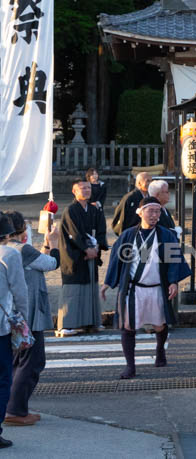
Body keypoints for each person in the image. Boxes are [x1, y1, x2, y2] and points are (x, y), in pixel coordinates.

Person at [102, 197, 191, 379]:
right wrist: (108, 283)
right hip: (134, 289)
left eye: (157, 211)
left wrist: (173, 281)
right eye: (150, 211)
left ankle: (160, 350)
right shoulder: (128, 235)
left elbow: (174, 260)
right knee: (128, 326)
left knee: (160, 325)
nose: (154, 215)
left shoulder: (167, 235)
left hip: (157, 287)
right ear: (140, 212)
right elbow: (115, 259)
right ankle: (130, 366)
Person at [4, 212, 53, 428]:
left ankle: (11, 407)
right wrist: (53, 243)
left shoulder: (10, 249)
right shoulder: (19, 250)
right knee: (32, 361)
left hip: (7, 314)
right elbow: (50, 263)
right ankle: (15, 410)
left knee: (15, 362)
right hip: (25, 315)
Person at [57, 181, 105, 336]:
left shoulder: (94, 209)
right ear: (74, 191)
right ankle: (67, 324)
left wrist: (97, 247)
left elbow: (101, 230)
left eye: (88, 188)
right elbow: (74, 233)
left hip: (91, 253)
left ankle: (90, 322)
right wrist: (85, 249)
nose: (86, 190)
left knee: (90, 287)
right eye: (82, 188)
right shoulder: (71, 210)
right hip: (75, 255)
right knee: (73, 289)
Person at [0, 215, 28, 450]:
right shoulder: (9, 254)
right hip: (0, 327)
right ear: (7, 234)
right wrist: (23, 320)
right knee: (2, 379)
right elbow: (20, 293)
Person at [112, 172, 153, 236]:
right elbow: (122, 217)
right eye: (147, 181)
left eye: (151, 181)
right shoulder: (130, 197)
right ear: (139, 183)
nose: (150, 183)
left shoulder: (151, 197)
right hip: (132, 233)